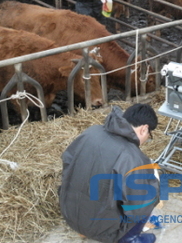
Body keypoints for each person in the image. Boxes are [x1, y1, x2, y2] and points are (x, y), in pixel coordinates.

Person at [59, 104, 159, 243]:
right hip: (102, 231)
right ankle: (129, 239)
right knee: (148, 196)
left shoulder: (91, 132)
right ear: (144, 129)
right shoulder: (132, 157)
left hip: (69, 215)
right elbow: (138, 206)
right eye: (149, 135)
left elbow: (67, 163)